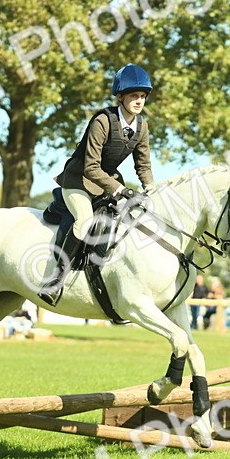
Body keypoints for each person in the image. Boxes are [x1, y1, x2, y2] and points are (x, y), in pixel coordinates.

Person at [37, 63, 156, 305]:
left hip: (105, 183)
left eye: (142, 96)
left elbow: (143, 165)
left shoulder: (141, 126)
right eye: (134, 95)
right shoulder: (103, 120)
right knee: (84, 220)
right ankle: (55, 280)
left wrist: (151, 189)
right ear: (120, 96)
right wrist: (120, 189)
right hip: (78, 180)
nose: (139, 101)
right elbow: (91, 166)